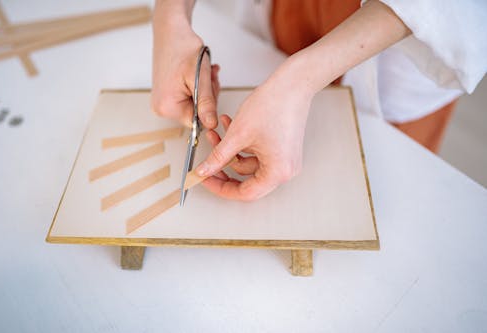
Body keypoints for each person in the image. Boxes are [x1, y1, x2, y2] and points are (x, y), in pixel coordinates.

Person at [151, 0, 486, 201]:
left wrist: (299, 81)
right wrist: (171, 19)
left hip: (397, 36)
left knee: (384, 173)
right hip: (289, 11)